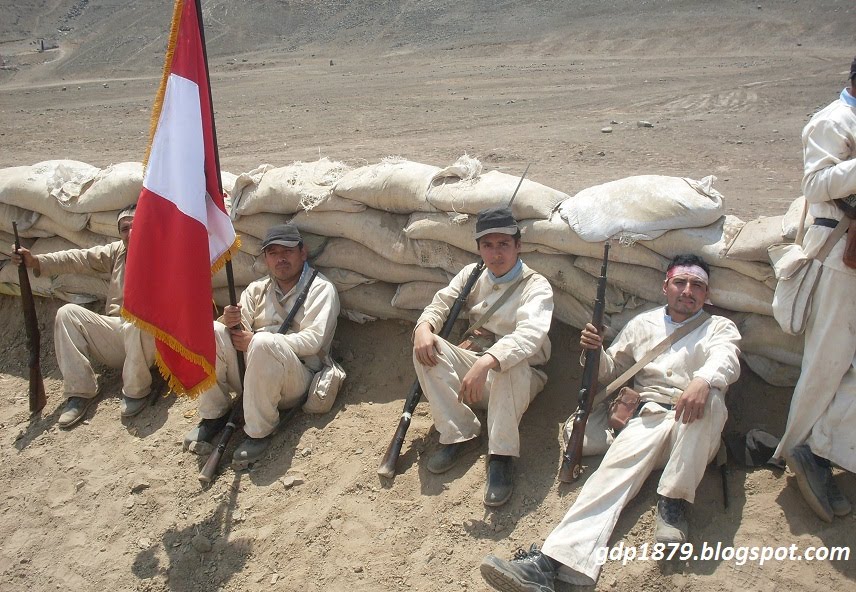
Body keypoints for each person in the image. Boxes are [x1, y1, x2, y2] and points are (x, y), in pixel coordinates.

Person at [480, 254, 741, 591]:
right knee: (606, 482)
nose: (687, 290)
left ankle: (673, 504)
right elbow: (610, 373)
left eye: (697, 286)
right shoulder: (642, 325)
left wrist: (703, 380)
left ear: (706, 294)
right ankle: (552, 564)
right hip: (648, 417)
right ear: (666, 286)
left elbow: (727, 358)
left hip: (694, 430)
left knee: (712, 399)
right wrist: (594, 351)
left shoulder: (719, 327)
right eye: (680, 282)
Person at [413, 206, 554, 507]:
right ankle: (460, 433)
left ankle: (501, 456)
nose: (496, 253)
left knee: (509, 361)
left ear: (518, 246)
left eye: (504, 244)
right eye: (487, 245)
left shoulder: (536, 286)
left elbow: (529, 336)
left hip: (519, 379)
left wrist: (487, 359)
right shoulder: (472, 274)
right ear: (478, 248)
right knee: (427, 347)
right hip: (477, 377)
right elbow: (441, 303)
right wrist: (424, 328)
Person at [773, 56, 856, 522]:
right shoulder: (833, 121)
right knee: (826, 366)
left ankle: (822, 448)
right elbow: (815, 182)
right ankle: (802, 449)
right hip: (837, 259)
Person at [183, 223, 340, 466]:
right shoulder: (257, 289)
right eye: (273, 253)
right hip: (254, 370)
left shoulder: (321, 289)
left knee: (264, 341)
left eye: (287, 251)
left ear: (303, 252)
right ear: (265, 258)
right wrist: (230, 321)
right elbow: (237, 331)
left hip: (296, 378)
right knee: (212, 330)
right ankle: (214, 415)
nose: (281, 259)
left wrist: (260, 341)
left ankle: (258, 431)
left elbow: (313, 341)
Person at [11, 205, 156, 428]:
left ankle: (136, 391)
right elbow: (78, 259)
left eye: (136, 225)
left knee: (138, 322)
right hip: (119, 332)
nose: (131, 232)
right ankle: (80, 393)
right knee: (67, 314)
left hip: (151, 340)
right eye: (125, 228)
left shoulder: (164, 254)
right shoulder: (118, 252)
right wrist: (36, 261)